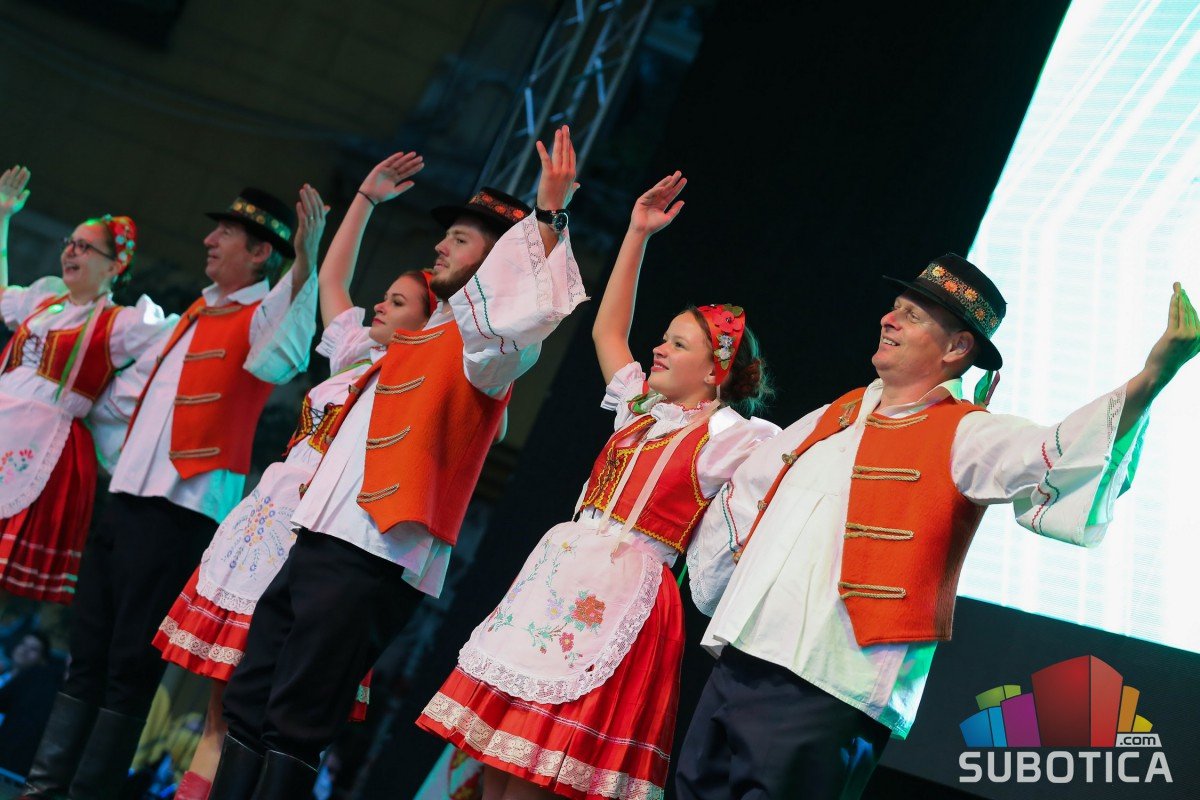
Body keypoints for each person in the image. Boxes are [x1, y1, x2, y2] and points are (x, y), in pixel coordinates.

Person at [674, 255, 1200, 800]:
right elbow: (743, 495)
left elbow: (1056, 454)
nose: (889, 319)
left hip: (828, 682)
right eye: (894, 308)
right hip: (744, 657)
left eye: (913, 315)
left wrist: (1152, 376)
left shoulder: (966, 433)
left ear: (956, 348)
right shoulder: (838, 413)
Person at [210, 127, 587, 800]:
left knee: (297, 717)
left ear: (497, 263)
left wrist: (547, 220)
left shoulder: (490, 350)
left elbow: (525, 311)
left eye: (460, 240)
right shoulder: (415, 338)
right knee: (251, 697)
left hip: (373, 551)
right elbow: (337, 299)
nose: (439, 246)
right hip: (319, 535)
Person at [416, 172, 780, 800]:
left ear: (715, 371)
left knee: (539, 773)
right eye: (663, 338)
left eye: (678, 344)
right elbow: (606, 332)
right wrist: (637, 234)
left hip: (620, 597)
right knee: (497, 764)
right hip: (560, 578)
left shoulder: (730, 436)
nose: (658, 349)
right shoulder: (640, 409)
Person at [19, 183, 320, 800]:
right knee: (86, 653)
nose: (209, 240)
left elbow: (287, 352)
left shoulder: (262, 317)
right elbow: (125, 400)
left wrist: (307, 262)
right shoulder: (193, 312)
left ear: (259, 253)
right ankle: (42, 791)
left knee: (129, 666)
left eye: (225, 234)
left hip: (179, 511)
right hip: (128, 496)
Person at [151, 166, 433, 800]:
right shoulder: (356, 356)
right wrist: (362, 203)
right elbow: (332, 280)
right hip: (267, 520)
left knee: (269, 701)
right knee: (225, 697)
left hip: (314, 535)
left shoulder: (417, 381)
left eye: (397, 303)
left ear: (427, 326)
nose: (379, 306)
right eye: (384, 297)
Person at [0, 164, 174, 604]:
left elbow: (176, 341)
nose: (71, 251)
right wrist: (2, 217)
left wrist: (115, 401)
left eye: (84, 246)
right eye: (70, 242)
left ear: (115, 265)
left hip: (42, 443)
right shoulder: (44, 299)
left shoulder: (120, 323)